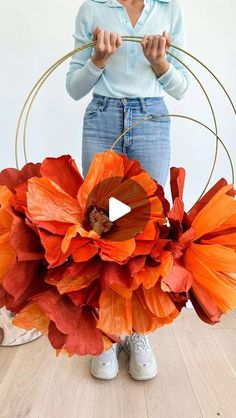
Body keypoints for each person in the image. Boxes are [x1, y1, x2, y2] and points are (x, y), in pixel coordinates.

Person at [66, 0, 190, 381]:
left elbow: (182, 87)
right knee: (100, 228)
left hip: (152, 118)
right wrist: (98, 60)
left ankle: (136, 330)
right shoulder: (92, 8)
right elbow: (74, 87)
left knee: (145, 228)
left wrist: (159, 64)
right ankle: (108, 329)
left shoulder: (169, 10)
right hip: (102, 115)